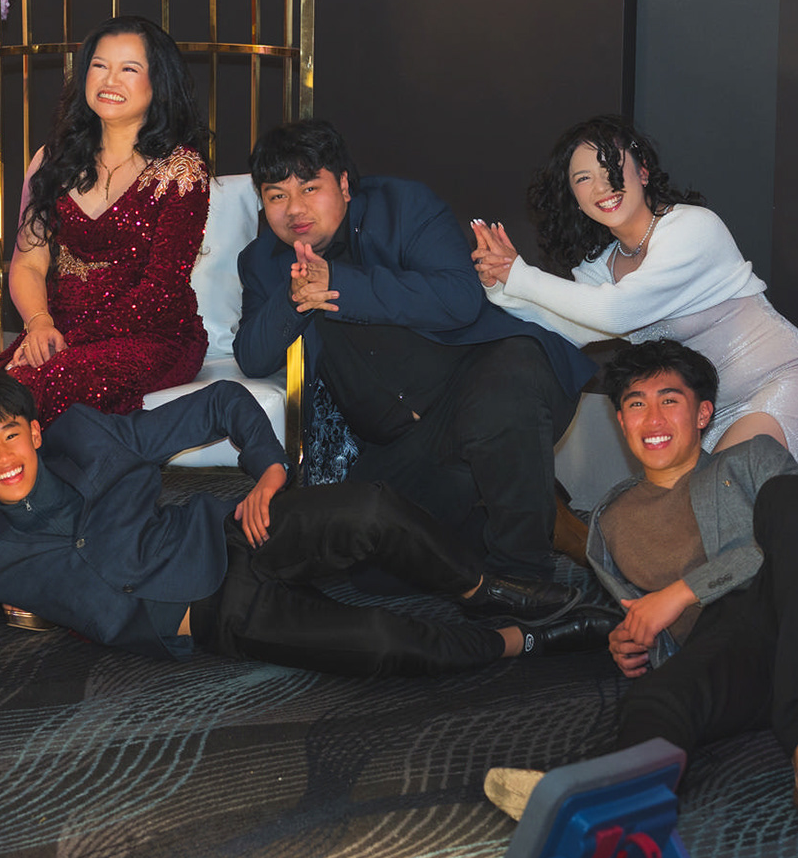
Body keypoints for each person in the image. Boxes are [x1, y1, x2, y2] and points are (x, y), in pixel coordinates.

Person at [0, 373, 616, 674]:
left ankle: (486, 589)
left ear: (34, 431)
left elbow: (223, 402)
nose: (2, 455)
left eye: (10, 434)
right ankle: (525, 639)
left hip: (231, 533)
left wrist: (270, 471)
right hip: (217, 618)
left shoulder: (90, 438)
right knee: (383, 643)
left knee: (371, 509)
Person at [483, 340, 798, 820]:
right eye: (636, 404)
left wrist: (679, 594)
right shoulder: (610, 523)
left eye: (670, 400)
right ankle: (603, 795)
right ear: (621, 421)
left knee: (793, 497)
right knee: (660, 697)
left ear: (703, 413)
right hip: (734, 657)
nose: (653, 419)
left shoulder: (753, 459)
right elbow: (651, 623)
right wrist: (632, 640)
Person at [234, 120, 597, 579]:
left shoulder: (403, 206)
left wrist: (339, 284)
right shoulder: (262, 261)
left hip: (482, 378)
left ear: (343, 184)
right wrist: (293, 299)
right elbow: (253, 356)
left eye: (309, 188)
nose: (294, 209)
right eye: (276, 196)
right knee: (373, 568)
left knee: (501, 396)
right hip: (402, 442)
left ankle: (524, 578)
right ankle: (535, 511)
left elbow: (459, 299)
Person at [471, 115, 798, 474]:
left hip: (777, 385)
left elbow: (615, 312)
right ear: (574, 197)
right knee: (700, 507)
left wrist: (521, 275)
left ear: (643, 172)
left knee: (725, 494)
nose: (602, 187)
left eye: (611, 168)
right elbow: (563, 327)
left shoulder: (692, 227)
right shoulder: (603, 265)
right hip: (701, 416)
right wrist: (500, 285)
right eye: (583, 178)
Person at [0, 16, 212, 426]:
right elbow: (28, 263)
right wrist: (39, 324)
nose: (110, 80)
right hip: (57, 331)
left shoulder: (180, 169)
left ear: (158, 82)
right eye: (100, 65)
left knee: (34, 391)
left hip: (152, 336)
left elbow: (160, 292)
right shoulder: (53, 159)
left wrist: (65, 343)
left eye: (129, 69)